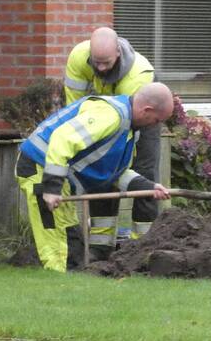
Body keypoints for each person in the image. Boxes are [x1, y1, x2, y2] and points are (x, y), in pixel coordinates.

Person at [15, 82, 174, 272]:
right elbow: (62, 140)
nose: (155, 126)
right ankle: (58, 282)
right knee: (56, 241)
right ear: (146, 110)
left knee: (67, 234)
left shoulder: (128, 129)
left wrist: (148, 186)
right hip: (39, 168)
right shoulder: (109, 116)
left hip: (50, 172)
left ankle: (67, 278)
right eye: (157, 120)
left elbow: (115, 173)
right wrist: (51, 188)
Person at [64, 27, 160, 256]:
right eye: (96, 62)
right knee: (100, 172)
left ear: (118, 52)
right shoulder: (79, 57)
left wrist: (114, 157)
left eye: (106, 63)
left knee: (143, 172)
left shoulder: (138, 75)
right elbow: (74, 108)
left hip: (141, 117)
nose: (100, 68)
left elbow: (129, 126)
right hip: (102, 115)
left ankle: (142, 246)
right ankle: (100, 246)